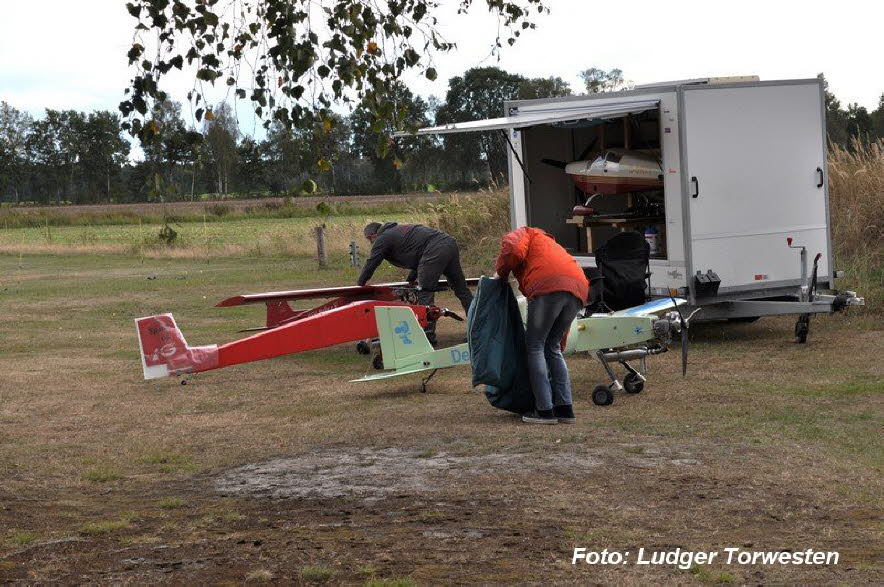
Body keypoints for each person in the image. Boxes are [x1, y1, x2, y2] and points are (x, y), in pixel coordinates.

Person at [494, 227, 589, 425]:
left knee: (535, 346)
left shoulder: (525, 232)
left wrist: (501, 274)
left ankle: (544, 410)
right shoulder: (550, 244)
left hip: (547, 286)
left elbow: (512, 249)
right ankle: (565, 409)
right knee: (552, 347)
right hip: (579, 287)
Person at [359, 222, 474, 343]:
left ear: (372, 236)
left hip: (435, 248)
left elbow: (372, 262)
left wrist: (361, 283)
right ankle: (477, 328)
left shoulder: (383, 238)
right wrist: (410, 280)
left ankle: (427, 334)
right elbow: (418, 258)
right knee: (462, 290)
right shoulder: (397, 232)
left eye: (369, 239)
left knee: (424, 291)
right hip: (449, 243)